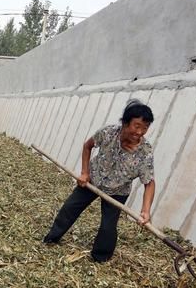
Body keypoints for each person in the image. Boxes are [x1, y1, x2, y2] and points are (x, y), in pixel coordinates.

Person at [43, 99, 155, 263]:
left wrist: (146, 210)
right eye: (136, 126)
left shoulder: (145, 151)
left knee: (108, 227)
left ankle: (100, 258)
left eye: (145, 128)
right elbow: (88, 146)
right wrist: (84, 172)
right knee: (69, 208)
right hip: (92, 181)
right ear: (125, 123)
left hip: (117, 191)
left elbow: (149, 182)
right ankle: (51, 239)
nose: (140, 132)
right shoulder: (108, 133)